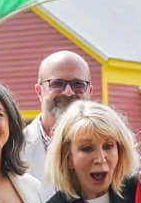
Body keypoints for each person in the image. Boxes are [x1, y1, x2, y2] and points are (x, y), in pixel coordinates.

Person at [21, 50, 93, 188]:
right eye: (57, 83)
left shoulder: (110, 147)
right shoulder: (13, 149)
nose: (68, 92)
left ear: (89, 91)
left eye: (78, 84)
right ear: (39, 91)